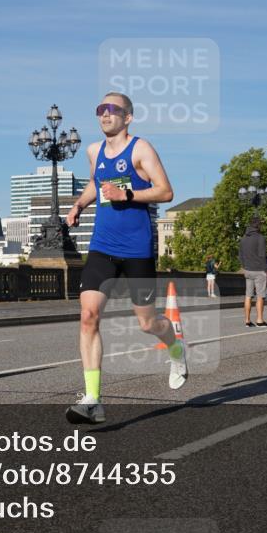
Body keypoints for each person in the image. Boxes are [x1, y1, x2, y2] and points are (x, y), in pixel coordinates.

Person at [64, 92, 187, 424]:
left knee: (148, 323)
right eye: (100, 109)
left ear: (127, 117)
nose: (105, 114)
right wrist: (79, 205)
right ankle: (93, 400)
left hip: (136, 250)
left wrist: (128, 194)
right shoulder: (94, 151)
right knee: (88, 316)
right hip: (102, 246)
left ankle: (175, 347)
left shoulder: (141, 149)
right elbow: (95, 183)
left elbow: (165, 190)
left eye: (113, 109)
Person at [239, 216, 267, 327]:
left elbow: (240, 255)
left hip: (247, 270)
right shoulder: (260, 238)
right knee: (260, 296)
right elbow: (262, 255)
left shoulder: (243, 238)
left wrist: (244, 267)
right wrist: (266, 270)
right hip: (259, 270)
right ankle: (260, 320)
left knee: (248, 295)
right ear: (258, 225)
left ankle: (247, 321)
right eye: (260, 223)